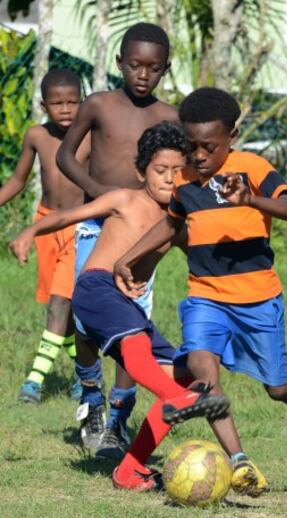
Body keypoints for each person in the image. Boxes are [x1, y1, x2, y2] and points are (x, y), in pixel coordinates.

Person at [113, 87, 287, 491]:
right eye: (191, 146)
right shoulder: (183, 180)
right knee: (203, 370)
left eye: (208, 147)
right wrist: (127, 257)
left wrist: (251, 199)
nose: (198, 156)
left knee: (278, 387)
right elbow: (170, 224)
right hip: (206, 297)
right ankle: (239, 462)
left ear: (231, 137)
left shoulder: (251, 167)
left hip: (258, 299)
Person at [10, 121, 230, 492]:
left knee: (188, 377)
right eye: (161, 171)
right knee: (153, 365)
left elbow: (206, 258)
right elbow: (66, 217)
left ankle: (129, 469)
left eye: (179, 172)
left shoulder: (176, 224)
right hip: (95, 287)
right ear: (140, 171)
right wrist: (30, 232)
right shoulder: (125, 200)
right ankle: (175, 400)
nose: (169, 179)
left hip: (128, 307)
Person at [56, 22, 180, 453]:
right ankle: (91, 397)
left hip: (143, 234)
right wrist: (105, 194)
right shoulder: (99, 105)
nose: (142, 75)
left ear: (165, 69)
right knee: (85, 321)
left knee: (133, 328)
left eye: (153, 67)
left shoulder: (170, 118)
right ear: (119, 63)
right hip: (96, 227)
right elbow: (64, 155)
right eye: (134, 65)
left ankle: (118, 420)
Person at [0, 68, 90, 404]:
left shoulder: (91, 137)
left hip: (79, 226)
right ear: (43, 105)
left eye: (72, 102)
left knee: (61, 301)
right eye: (57, 103)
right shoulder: (36, 136)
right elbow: (17, 181)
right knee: (59, 311)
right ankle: (85, 376)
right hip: (44, 225)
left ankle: (34, 382)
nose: (66, 109)